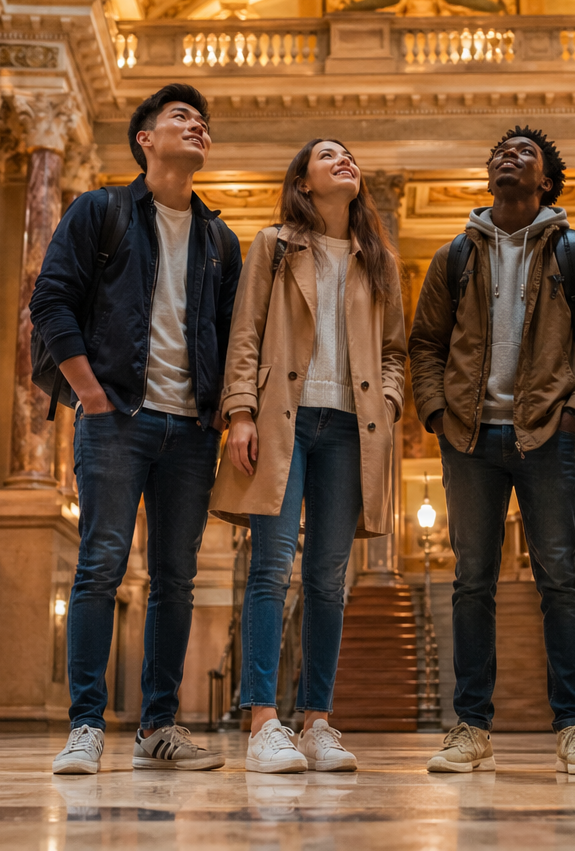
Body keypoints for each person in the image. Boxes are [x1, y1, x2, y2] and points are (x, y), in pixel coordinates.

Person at [30, 83, 240, 775]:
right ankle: (86, 724)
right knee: (100, 567)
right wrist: (90, 395)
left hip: (190, 431)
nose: (197, 126)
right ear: (146, 139)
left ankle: (158, 726)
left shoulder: (219, 240)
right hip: (117, 418)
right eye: (182, 117)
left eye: (203, 122)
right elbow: (51, 300)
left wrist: (220, 409)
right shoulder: (101, 211)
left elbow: (234, 334)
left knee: (175, 577)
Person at [407, 126, 575, 775]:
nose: (506, 156)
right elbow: (425, 344)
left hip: (545, 436)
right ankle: (471, 726)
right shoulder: (455, 256)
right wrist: (439, 413)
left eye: (522, 153)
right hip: (470, 438)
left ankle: (573, 728)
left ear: (546, 181)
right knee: (471, 582)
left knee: (560, 580)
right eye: (499, 150)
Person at [209, 138, 408, 774]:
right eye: (328, 155)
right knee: (271, 567)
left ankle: (317, 720)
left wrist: (393, 402)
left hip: (353, 428)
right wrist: (240, 412)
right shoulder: (272, 246)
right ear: (303, 178)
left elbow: (396, 351)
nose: (346, 160)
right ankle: (263, 721)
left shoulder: (379, 260)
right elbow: (244, 333)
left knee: (328, 578)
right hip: (283, 422)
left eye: (351, 154)